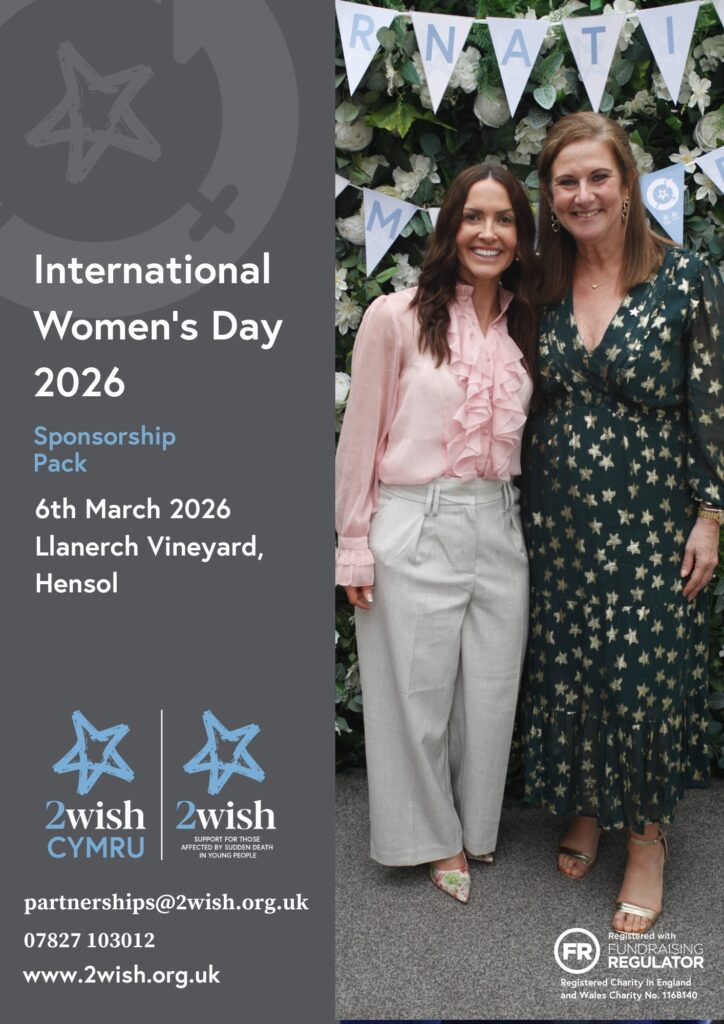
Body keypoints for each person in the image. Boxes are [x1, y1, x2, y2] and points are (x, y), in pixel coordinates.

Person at [521, 112, 723, 933]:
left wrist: (712, 514)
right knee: (572, 663)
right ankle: (587, 805)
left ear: (629, 183)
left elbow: (712, 403)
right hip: (558, 518)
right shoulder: (542, 282)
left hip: (652, 518)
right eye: (566, 181)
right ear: (550, 195)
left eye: (597, 177)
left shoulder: (684, 277)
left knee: (643, 681)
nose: (583, 194)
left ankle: (646, 840)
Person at [336, 164, 538, 903]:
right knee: (415, 693)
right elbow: (360, 435)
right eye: (474, 217)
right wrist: (352, 543)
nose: (488, 233)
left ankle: (473, 824)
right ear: (449, 226)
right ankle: (432, 837)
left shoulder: (526, 323)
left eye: (505, 219)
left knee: (490, 690)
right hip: (415, 517)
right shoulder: (394, 316)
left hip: (499, 520)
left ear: (521, 237)